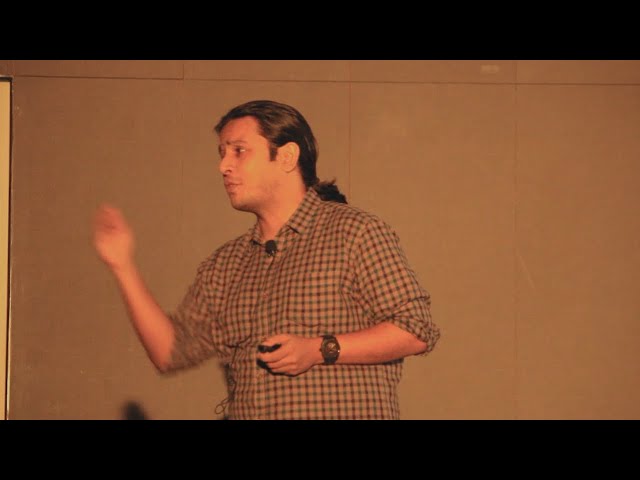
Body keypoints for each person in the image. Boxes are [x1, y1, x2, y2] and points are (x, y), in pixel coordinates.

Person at [93, 99, 440, 420]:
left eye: (239, 151)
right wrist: (123, 266)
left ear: (286, 157)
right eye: (222, 153)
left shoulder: (354, 232)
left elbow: (415, 329)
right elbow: (170, 352)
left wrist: (319, 349)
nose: (223, 166)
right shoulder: (225, 264)